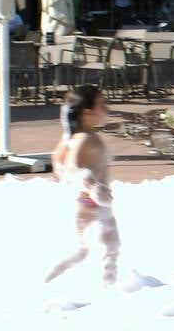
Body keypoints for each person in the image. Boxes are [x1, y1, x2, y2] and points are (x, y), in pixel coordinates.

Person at [45, 86, 120, 287]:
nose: (106, 108)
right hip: (92, 206)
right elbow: (71, 167)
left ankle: (48, 278)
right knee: (110, 248)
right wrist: (92, 186)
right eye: (102, 104)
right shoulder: (85, 139)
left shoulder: (76, 137)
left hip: (86, 204)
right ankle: (109, 292)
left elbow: (57, 160)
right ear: (87, 113)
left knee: (83, 250)